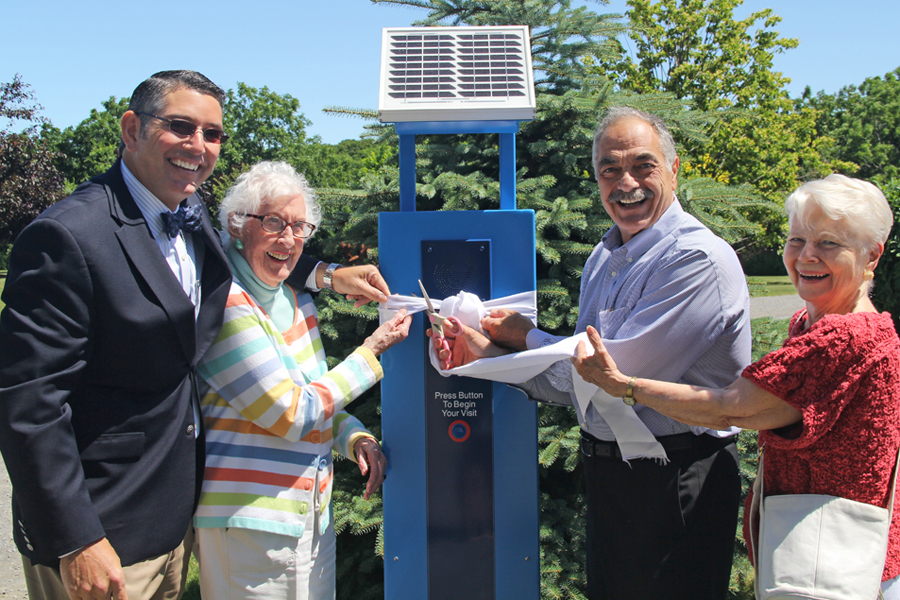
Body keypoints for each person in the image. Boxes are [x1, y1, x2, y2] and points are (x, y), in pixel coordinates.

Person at [0, 70, 389, 600]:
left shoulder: (189, 213)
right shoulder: (68, 235)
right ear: (132, 128)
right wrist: (76, 537)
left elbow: (253, 258)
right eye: (181, 127)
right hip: (102, 524)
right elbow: (29, 405)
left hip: (173, 520)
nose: (198, 146)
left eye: (213, 134)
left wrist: (325, 274)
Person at [435, 107, 751, 599]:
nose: (626, 182)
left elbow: (608, 375)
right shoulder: (604, 259)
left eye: (643, 165)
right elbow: (581, 392)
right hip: (615, 478)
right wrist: (483, 355)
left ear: (674, 168)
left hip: (678, 480)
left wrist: (522, 338)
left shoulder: (697, 260)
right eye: (609, 169)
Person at [571, 174, 900, 597]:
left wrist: (625, 385)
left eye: (829, 244)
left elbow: (730, 408)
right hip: (825, 549)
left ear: (871, 256)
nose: (806, 257)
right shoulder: (814, 324)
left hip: (834, 561)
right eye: (797, 240)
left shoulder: (846, 338)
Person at [191, 161, 411, 599]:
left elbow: (319, 394)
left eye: (299, 227)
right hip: (249, 526)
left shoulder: (295, 299)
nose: (288, 239)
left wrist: (354, 438)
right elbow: (291, 412)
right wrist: (372, 352)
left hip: (311, 519)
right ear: (237, 225)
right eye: (273, 222)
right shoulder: (227, 304)